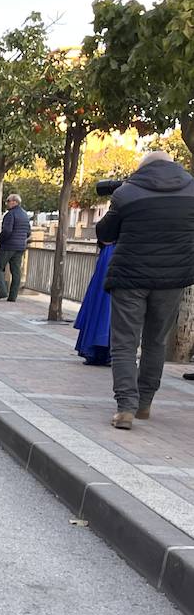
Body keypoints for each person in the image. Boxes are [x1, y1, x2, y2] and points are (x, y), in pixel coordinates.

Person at [95, 150, 194, 429]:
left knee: (125, 342)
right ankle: (145, 403)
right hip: (172, 279)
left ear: (143, 168)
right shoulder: (191, 190)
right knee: (156, 341)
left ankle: (125, 407)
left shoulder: (126, 192)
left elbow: (105, 234)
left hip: (130, 278)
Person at [0, 193, 30, 301]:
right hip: (20, 246)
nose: (7, 203)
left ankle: (2, 291)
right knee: (16, 271)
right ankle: (13, 296)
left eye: (8, 201)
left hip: (8, 246)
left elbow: (7, 230)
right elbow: (28, 232)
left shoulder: (10, 214)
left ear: (14, 202)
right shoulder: (25, 215)